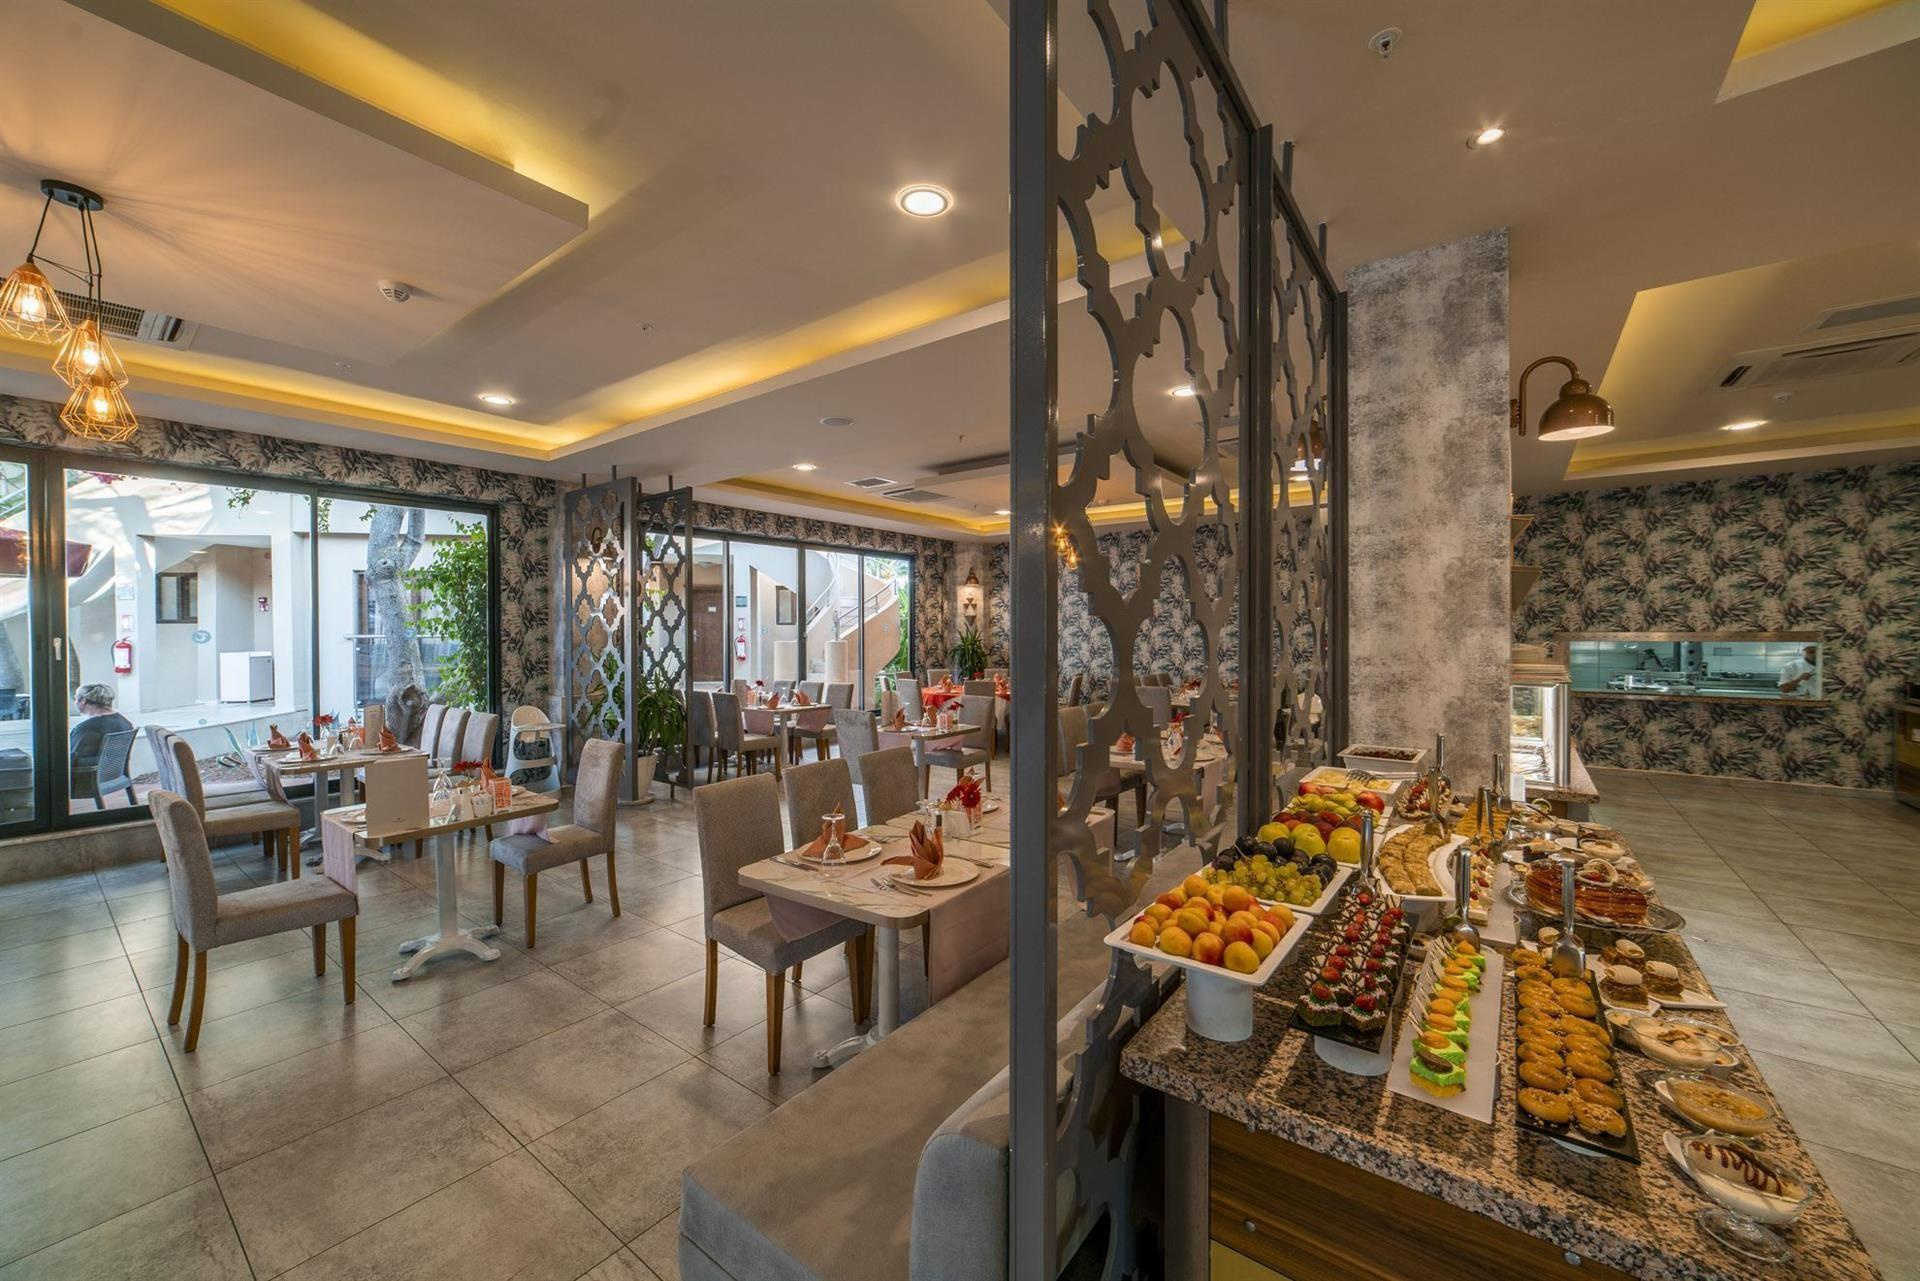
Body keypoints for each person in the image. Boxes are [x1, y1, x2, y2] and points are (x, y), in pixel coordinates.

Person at [69, 683, 134, 776]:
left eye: (76, 699)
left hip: (88, 779)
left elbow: (72, 761)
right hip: (114, 776)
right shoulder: (125, 723)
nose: (75, 702)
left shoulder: (87, 728)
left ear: (83, 701)